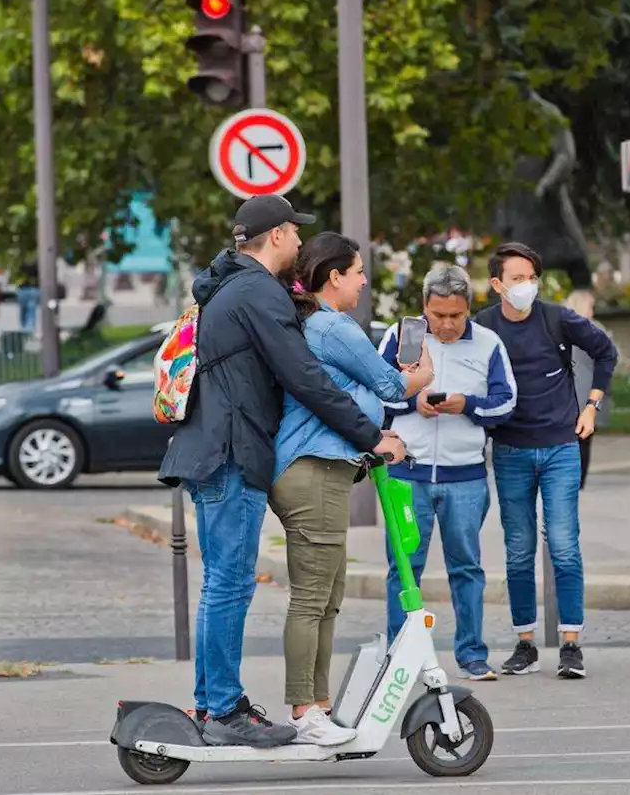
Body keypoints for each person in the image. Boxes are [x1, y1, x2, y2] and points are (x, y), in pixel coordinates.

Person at [158, 195, 407, 749]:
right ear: (276, 236)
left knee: (222, 585)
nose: (300, 244)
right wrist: (373, 437)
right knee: (229, 585)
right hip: (230, 452)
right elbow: (306, 380)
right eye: (295, 233)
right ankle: (222, 709)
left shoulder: (235, 289)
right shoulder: (258, 292)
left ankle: (213, 702)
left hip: (215, 451)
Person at [271, 232, 433, 745]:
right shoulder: (332, 325)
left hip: (328, 468)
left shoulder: (317, 326)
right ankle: (304, 711)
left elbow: (351, 396)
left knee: (329, 595)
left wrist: (377, 434)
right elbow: (389, 386)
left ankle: (317, 703)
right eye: (359, 272)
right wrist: (423, 370)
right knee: (313, 596)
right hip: (313, 472)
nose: (364, 282)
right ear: (334, 276)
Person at [474, 242, 617, 680]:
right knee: (518, 550)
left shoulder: (557, 317)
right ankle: (525, 643)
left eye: (532, 277)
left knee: (563, 545)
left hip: (560, 447)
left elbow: (605, 350)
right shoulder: (484, 327)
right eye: (517, 279)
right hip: (511, 450)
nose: (526, 286)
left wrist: (591, 405)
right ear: (497, 284)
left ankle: (571, 645)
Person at [378, 265, 516, 681]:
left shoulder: (489, 344)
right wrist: (411, 403)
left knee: (467, 568)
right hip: (408, 474)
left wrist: (467, 404)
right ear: (424, 308)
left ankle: (472, 655)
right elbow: (376, 392)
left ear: (468, 310)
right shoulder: (400, 338)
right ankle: (399, 656)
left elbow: (506, 404)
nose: (447, 324)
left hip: (466, 478)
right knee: (403, 569)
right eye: (439, 315)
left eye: (456, 316)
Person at [563, 290, 613, 489]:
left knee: (566, 441)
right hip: (589, 393)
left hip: (564, 392)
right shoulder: (595, 330)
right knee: (584, 439)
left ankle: (566, 478)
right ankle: (579, 480)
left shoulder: (560, 328)